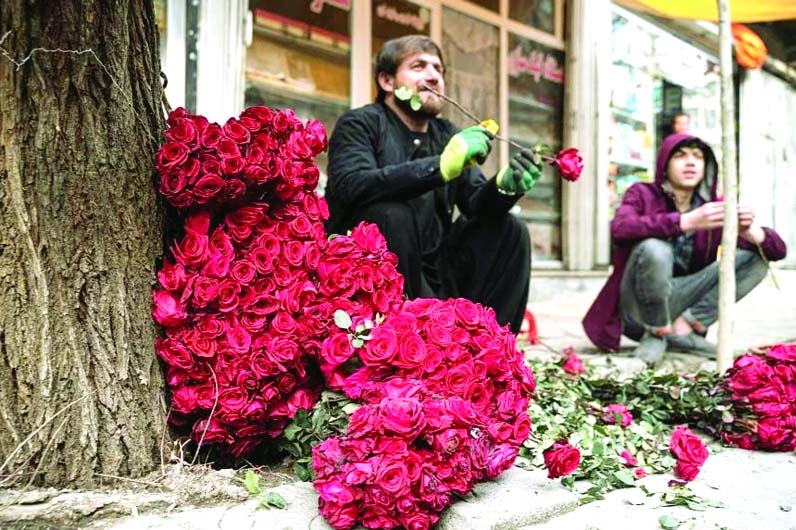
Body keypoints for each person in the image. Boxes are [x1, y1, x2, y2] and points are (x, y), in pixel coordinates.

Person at [325, 35, 538, 333]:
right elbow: (352, 185)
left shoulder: (447, 133)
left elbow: (475, 204)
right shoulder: (360, 123)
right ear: (387, 81)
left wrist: (504, 187)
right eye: (418, 66)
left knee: (510, 230)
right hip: (371, 278)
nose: (433, 76)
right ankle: (404, 343)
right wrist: (437, 168)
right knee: (390, 213)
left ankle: (490, 347)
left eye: (438, 69)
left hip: (439, 271)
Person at [583, 133, 787, 366]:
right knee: (654, 248)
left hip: (682, 302)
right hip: (637, 306)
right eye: (680, 156)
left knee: (755, 259)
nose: (690, 162)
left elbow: (778, 252)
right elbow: (620, 228)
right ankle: (657, 330)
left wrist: (751, 232)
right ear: (665, 164)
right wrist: (685, 221)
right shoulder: (642, 193)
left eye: (697, 157)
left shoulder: (713, 207)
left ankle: (684, 328)